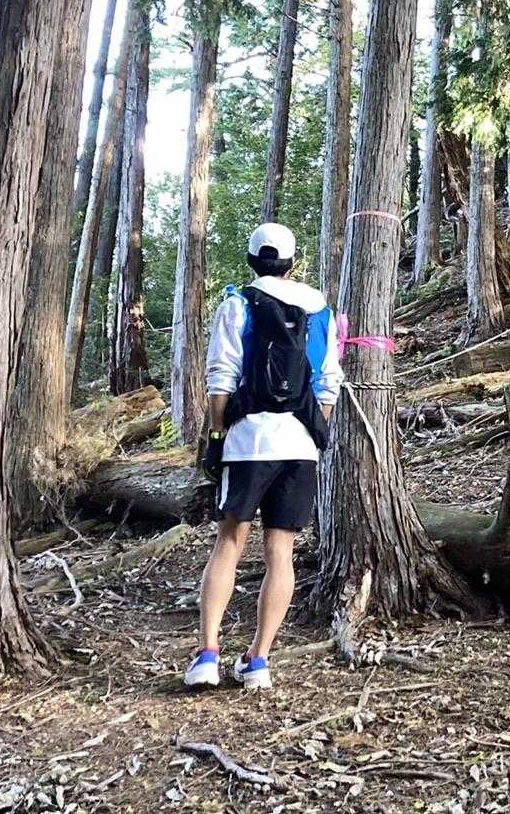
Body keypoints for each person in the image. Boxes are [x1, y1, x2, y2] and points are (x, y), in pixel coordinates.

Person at [183, 222, 342, 691]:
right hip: (299, 447)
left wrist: (216, 437)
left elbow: (221, 376)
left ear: (253, 260)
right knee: (281, 552)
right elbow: (327, 382)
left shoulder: (238, 302)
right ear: (292, 262)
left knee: (229, 542)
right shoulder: (319, 308)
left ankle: (208, 655)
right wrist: (312, 429)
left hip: (247, 442)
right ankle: (258, 661)